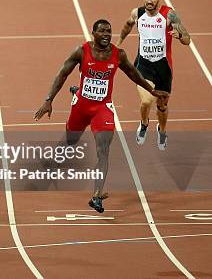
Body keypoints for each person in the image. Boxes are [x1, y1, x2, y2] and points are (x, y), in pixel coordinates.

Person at [34, 19, 168, 213]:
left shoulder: (118, 55)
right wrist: (49, 99)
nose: (106, 34)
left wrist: (152, 91)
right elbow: (62, 73)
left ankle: (97, 195)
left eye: (109, 31)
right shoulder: (82, 51)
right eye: (102, 31)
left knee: (103, 150)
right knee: (71, 142)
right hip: (81, 106)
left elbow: (134, 74)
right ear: (93, 34)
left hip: (102, 108)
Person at [117, 0, 191, 150]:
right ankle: (144, 123)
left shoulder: (169, 15)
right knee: (146, 101)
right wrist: (119, 42)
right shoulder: (137, 13)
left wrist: (179, 35)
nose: (149, 1)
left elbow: (187, 39)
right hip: (143, 65)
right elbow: (127, 25)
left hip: (164, 68)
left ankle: (162, 130)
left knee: (162, 106)